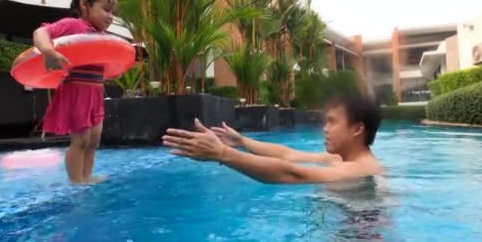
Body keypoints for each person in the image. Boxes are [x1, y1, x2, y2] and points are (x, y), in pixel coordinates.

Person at [162, 93, 384, 183]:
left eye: (332, 122)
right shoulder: (338, 160)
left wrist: (222, 154)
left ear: (357, 129)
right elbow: (288, 155)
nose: (325, 129)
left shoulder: (364, 170)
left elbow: (293, 174)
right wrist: (241, 142)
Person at [33, 0, 117, 184]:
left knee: (94, 141)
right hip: (77, 89)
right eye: (106, 9)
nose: (111, 16)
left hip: (95, 91)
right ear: (84, 5)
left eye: (112, 11)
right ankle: (76, 181)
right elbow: (41, 32)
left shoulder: (102, 35)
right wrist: (48, 51)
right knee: (81, 140)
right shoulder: (73, 25)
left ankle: (87, 176)